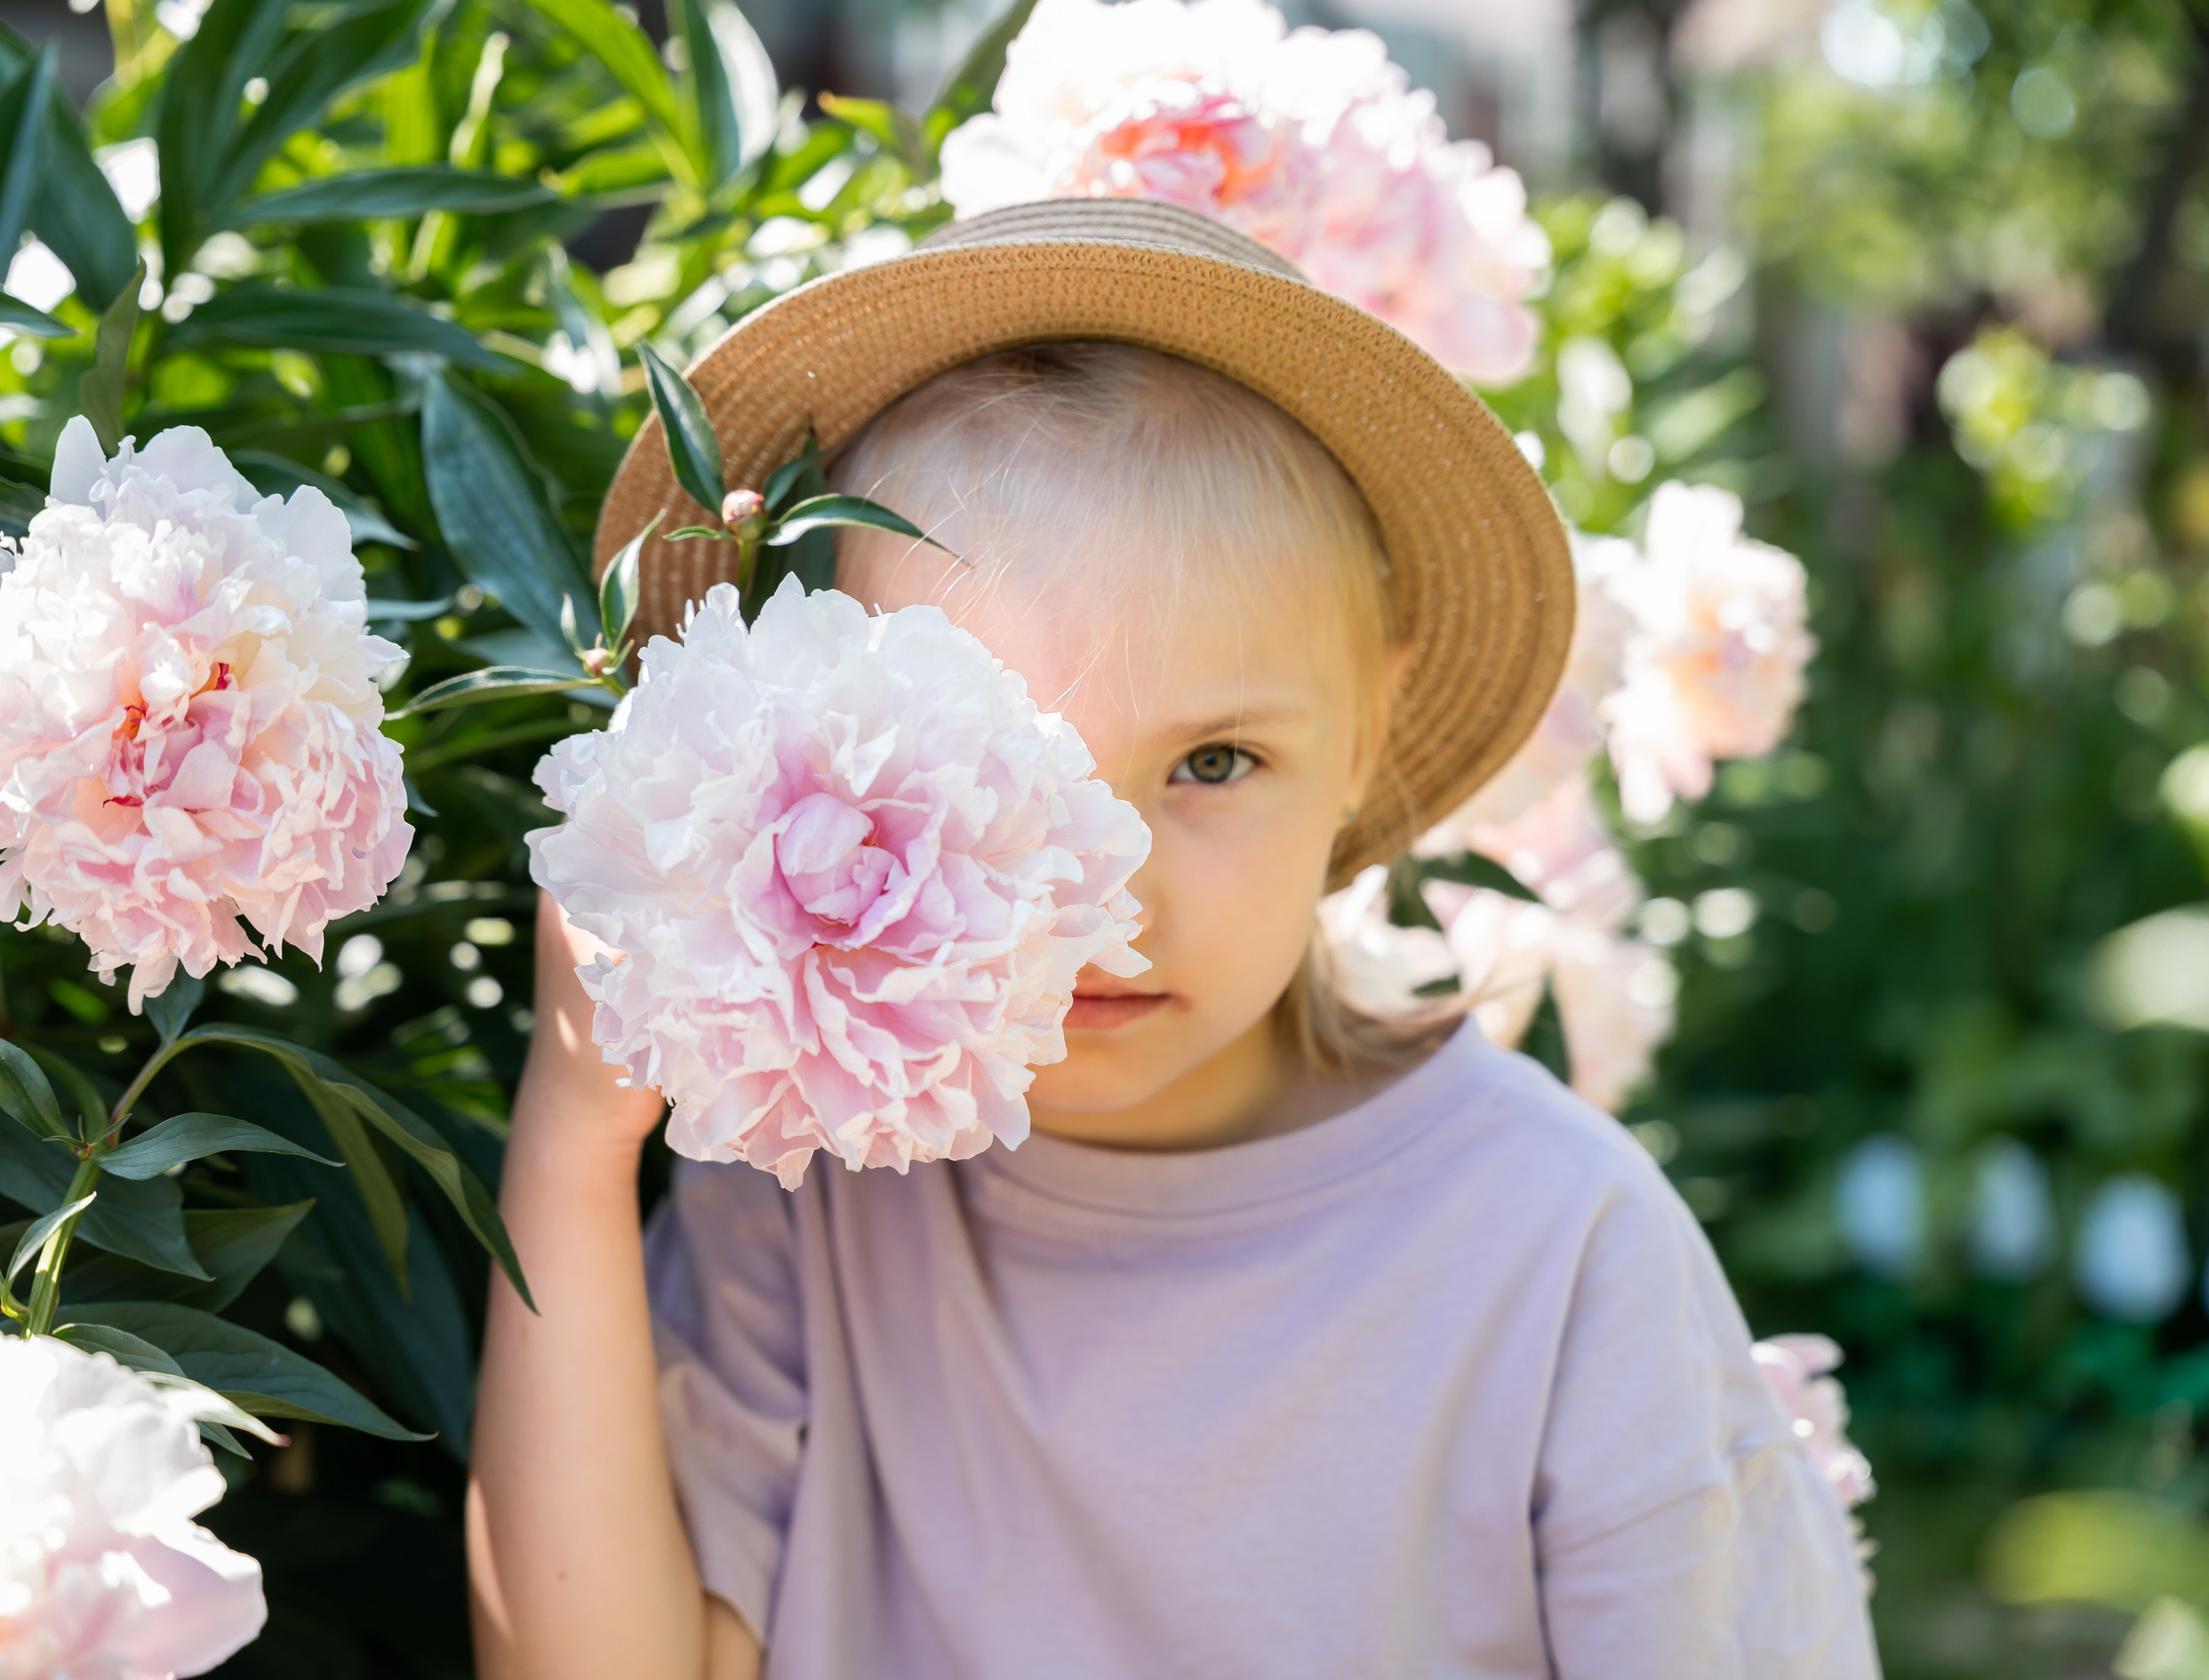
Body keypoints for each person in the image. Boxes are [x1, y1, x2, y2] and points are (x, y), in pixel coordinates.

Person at [466, 200, 1880, 1680]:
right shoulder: (803, 1198)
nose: (1114, 900)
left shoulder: (1561, 1244)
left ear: (1367, 738)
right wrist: (573, 1138)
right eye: (1009, 781)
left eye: (1212, 764)